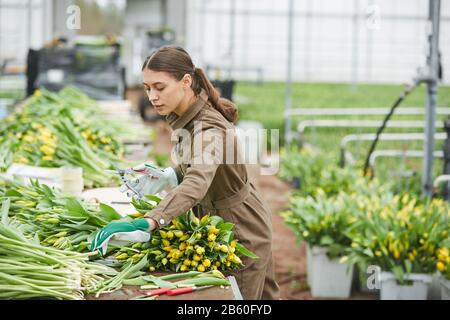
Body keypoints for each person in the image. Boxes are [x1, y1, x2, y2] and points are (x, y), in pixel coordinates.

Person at [90, 45, 280, 300]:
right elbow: (199, 165)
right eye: (147, 88)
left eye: (160, 87)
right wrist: (172, 174)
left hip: (241, 230)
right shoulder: (187, 117)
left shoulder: (209, 129)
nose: (152, 96)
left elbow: (198, 181)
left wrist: (152, 219)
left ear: (186, 82)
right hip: (229, 220)